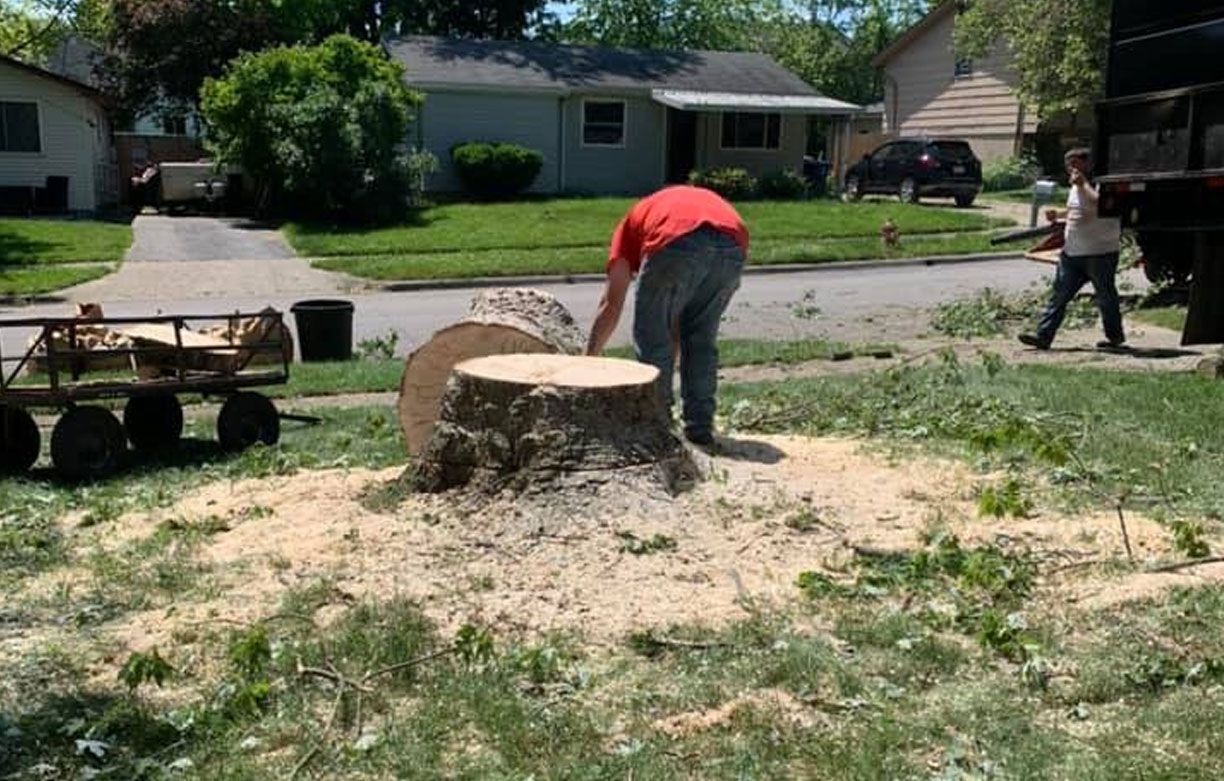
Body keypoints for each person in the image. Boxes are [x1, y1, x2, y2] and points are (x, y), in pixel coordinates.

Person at [586, 185, 747, 447]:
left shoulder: (626, 229)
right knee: (700, 339)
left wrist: (587, 361)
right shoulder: (662, 207)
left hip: (675, 239)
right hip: (733, 243)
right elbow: (674, 321)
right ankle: (700, 426)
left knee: (651, 337)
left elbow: (611, 304)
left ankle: (657, 424)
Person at [1019, 148, 1125, 350]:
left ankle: (1114, 338)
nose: (1071, 168)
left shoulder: (1103, 182)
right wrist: (1058, 214)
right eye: (1069, 164)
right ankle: (1043, 336)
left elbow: (1101, 204)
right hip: (1073, 252)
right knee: (1059, 295)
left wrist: (1083, 183)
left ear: (1088, 163)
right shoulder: (1077, 186)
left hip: (1100, 252)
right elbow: (1076, 210)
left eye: (1076, 163)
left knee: (1105, 296)